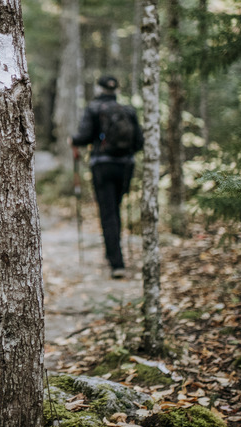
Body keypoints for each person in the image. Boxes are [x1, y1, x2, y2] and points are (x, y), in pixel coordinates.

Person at [70, 75, 143, 279]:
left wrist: (72, 140)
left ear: (99, 88)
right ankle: (114, 255)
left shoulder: (93, 108)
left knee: (108, 212)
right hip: (125, 166)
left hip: (102, 166)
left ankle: (116, 261)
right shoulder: (128, 111)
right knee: (116, 210)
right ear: (116, 90)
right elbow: (139, 142)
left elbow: (83, 137)